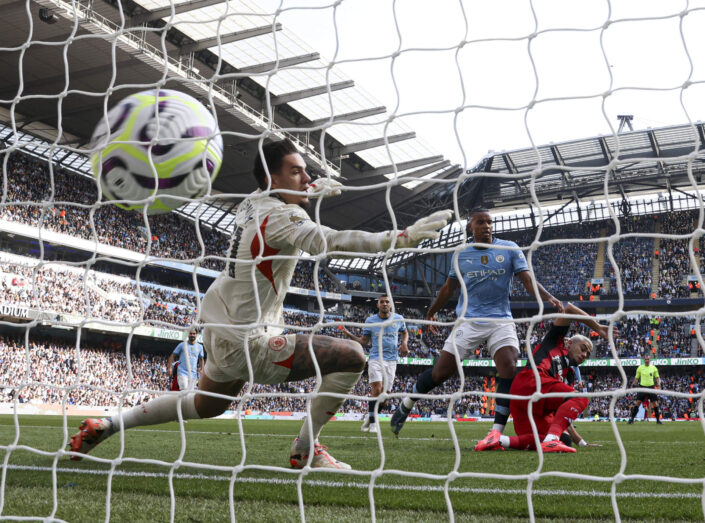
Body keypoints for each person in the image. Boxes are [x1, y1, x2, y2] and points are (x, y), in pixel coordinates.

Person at [69, 138, 452, 469]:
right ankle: (306, 450)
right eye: (298, 172)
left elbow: (278, 198)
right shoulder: (284, 217)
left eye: (307, 172)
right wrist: (399, 238)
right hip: (249, 340)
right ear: (273, 178)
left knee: (207, 406)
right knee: (352, 355)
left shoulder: (251, 203)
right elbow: (331, 241)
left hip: (220, 325)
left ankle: (108, 424)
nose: (307, 178)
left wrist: (311, 188)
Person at [390, 207, 563, 450]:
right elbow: (449, 289)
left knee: (508, 367)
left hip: (500, 320)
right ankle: (406, 404)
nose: (487, 226)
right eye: (480, 222)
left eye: (489, 222)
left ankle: (495, 433)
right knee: (441, 373)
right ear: (470, 227)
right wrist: (431, 312)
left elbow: (527, 279)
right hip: (468, 321)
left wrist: (549, 298)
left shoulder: (509, 248)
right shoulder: (461, 253)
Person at [492, 303, 616, 452]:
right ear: (569, 343)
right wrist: (598, 328)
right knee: (581, 398)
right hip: (530, 381)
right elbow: (569, 308)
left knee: (564, 440)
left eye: (587, 355)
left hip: (531, 407)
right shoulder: (553, 342)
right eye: (583, 349)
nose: (584, 355)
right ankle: (552, 440)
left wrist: (581, 442)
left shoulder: (568, 375)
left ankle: (497, 440)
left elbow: (563, 414)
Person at [341, 295, 408, 434]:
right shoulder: (370, 321)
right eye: (381, 302)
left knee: (385, 395)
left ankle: (370, 417)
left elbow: (405, 332)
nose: (384, 304)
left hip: (392, 360)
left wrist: (404, 343)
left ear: (391, 305)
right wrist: (348, 334)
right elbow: (364, 341)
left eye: (387, 302)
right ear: (377, 305)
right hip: (376, 358)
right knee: (377, 389)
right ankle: (373, 424)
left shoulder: (398, 319)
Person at [627, 354, 662, 424]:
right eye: (645, 359)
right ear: (644, 360)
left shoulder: (654, 368)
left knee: (655, 403)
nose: (647, 361)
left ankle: (658, 420)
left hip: (651, 387)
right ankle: (631, 419)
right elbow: (636, 378)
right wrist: (634, 384)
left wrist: (658, 384)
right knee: (637, 403)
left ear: (650, 360)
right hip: (642, 387)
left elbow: (657, 377)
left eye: (648, 359)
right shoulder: (640, 368)